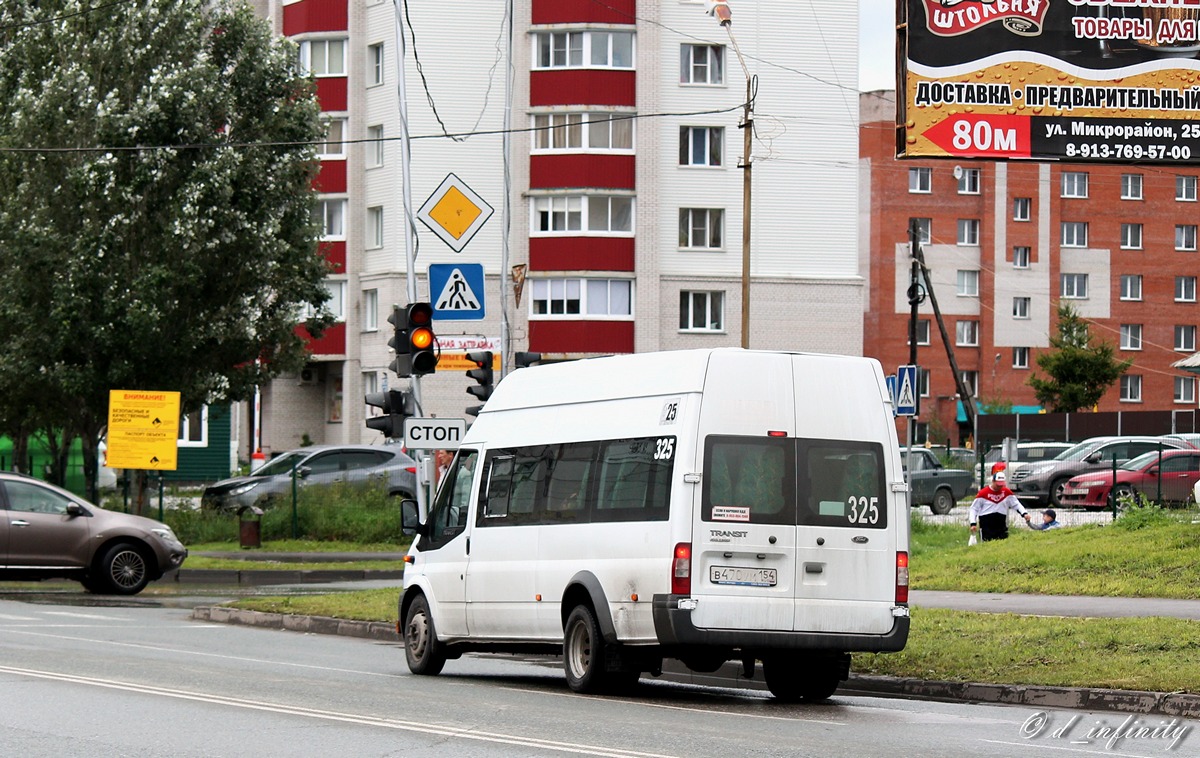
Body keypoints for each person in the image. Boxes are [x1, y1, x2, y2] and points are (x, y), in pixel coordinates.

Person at [968, 471, 1032, 541]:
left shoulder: (1007, 492)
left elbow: (1016, 504)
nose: (999, 487)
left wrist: (1024, 513)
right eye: (998, 484)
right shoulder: (983, 493)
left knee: (1003, 543)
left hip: (1001, 523)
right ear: (993, 481)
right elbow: (974, 508)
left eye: (1001, 485)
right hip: (986, 524)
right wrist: (973, 523)